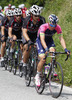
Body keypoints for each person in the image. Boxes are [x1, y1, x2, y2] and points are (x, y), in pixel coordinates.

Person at [35, 14, 70, 86]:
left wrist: (65, 49)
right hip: (41, 41)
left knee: (53, 51)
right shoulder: (43, 27)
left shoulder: (58, 27)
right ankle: (37, 75)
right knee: (43, 58)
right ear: (49, 22)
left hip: (49, 41)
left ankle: (51, 68)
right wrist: (46, 49)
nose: (53, 27)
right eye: (52, 25)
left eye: (54, 25)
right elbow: (42, 39)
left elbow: (61, 39)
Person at [22, 5, 46, 75]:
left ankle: (38, 69)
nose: (37, 17)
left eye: (38, 15)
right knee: (27, 47)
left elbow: (44, 31)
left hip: (36, 35)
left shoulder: (42, 20)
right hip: (27, 35)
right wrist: (29, 40)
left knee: (40, 50)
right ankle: (24, 64)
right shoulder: (27, 19)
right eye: (35, 16)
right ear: (31, 15)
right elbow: (24, 32)